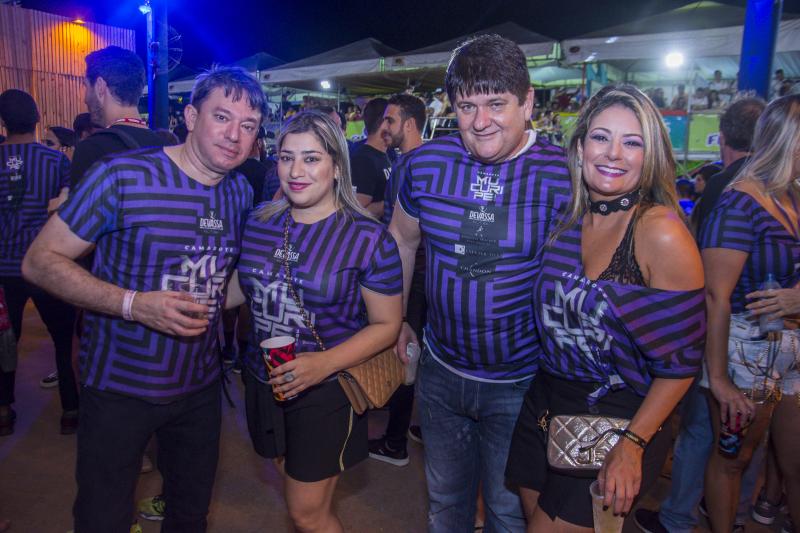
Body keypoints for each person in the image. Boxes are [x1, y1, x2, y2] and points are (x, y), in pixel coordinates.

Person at [22, 66, 264, 532]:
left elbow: (219, 285)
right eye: (222, 117)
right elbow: (40, 261)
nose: (234, 135)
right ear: (190, 117)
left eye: (248, 125)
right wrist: (135, 304)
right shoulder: (122, 176)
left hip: (198, 389)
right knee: (103, 518)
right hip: (120, 388)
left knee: (190, 515)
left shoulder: (239, 191)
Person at [388, 34, 572, 532]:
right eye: (467, 106)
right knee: (445, 504)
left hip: (521, 380)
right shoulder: (424, 165)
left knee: (508, 513)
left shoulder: (563, 174)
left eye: (496, 104)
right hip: (441, 372)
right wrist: (397, 319)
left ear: (527, 102)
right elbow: (401, 241)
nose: (481, 121)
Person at [505, 85, 706, 531]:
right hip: (545, 401)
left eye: (632, 142)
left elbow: (681, 365)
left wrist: (633, 443)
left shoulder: (659, 232)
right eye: (601, 137)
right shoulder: (570, 220)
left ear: (650, 156)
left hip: (618, 415)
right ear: (580, 148)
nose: (613, 153)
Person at [226, 110, 402, 533]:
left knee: (306, 512)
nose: (295, 171)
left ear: (337, 167)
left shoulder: (367, 237)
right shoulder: (259, 222)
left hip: (327, 387)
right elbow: (236, 290)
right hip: (263, 379)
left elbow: (387, 325)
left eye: (311, 158)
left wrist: (322, 364)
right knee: (287, 473)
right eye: (286, 158)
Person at [635, 96, 766, 533]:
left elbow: (711, 289)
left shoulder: (725, 189)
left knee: (698, 429)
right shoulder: (774, 190)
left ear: (722, 136)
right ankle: (734, 509)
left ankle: (678, 517)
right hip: (765, 340)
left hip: (721, 334)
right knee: (744, 442)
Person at [698, 94, 800, 533]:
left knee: (793, 460)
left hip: (790, 353)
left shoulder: (793, 196)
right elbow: (714, 296)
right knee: (734, 459)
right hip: (746, 354)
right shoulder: (740, 204)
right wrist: (719, 380)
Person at [0, 89, 79, 436]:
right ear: (36, 120)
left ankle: (3, 411)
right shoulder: (56, 160)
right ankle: (71, 411)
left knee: (4, 340)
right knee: (64, 339)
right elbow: (67, 207)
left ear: (3, 122)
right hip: (45, 264)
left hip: (4, 269)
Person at [368, 93, 427, 467]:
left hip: (410, 274)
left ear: (409, 123)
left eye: (390, 120)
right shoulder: (406, 162)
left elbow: (406, 236)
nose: (384, 127)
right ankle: (421, 427)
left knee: (404, 351)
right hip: (409, 270)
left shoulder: (415, 165)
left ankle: (394, 443)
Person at [70, 46, 171, 188]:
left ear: (100, 87)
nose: (85, 98)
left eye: (86, 86)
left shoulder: (91, 150)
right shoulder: (168, 150)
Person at [350, 98, 390, 217]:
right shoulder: (363, 159)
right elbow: (356, 212)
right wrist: (395, 202)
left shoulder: (383, 153)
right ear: (385, 123)